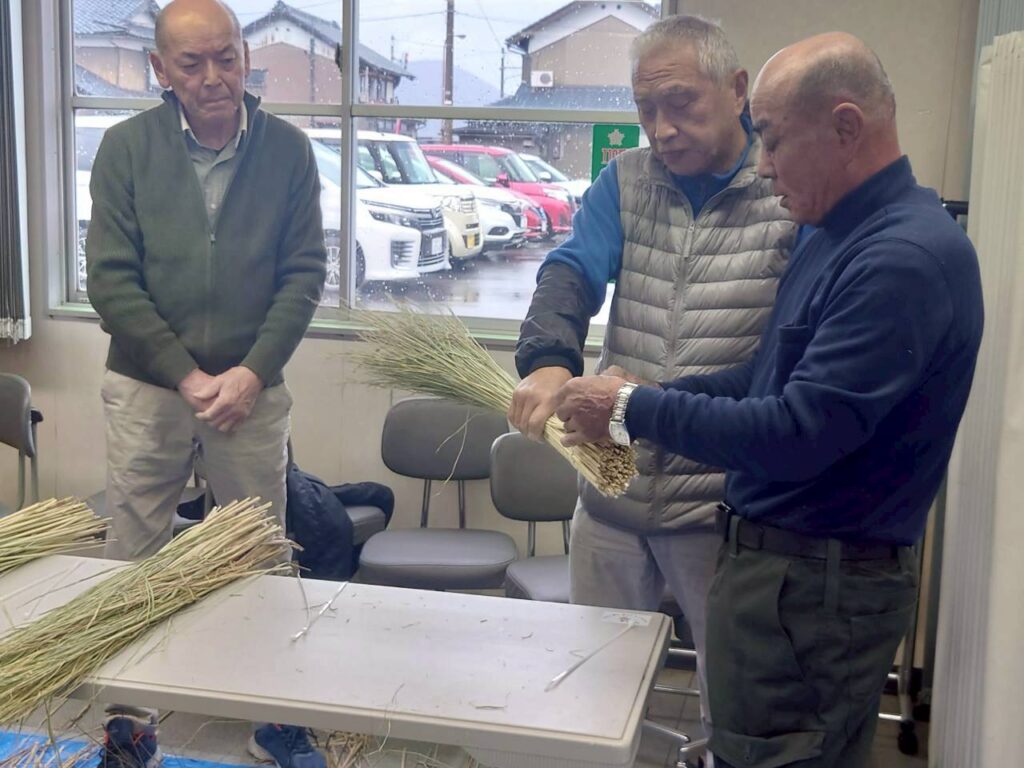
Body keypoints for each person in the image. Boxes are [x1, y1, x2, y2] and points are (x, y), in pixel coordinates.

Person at [552, 31, 984, 768]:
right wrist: (643, 393)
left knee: (773, 751)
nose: (765, 164)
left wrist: (632, 410)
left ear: (846, 127)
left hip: (818, 583)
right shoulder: (833, 231)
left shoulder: (900, 258)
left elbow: (797, 431)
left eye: (775, 141)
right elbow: (764, 378)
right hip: (779, 571)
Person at [508, 14, 796, 740]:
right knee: (596, 705)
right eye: (645, 110)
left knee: (732, 708)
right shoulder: (626, 180)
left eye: (681, 105)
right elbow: (570, 272)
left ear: (737, 91)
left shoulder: (784, 191)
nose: (661, 129)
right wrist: (549, 363)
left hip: (722, 512)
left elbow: (786, 363)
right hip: (614, 496)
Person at [86, 2, 326, 768]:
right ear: (161, 71)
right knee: (136, 549)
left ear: (245, 56)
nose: (214, 76)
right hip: (149, 389)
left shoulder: (288, 151)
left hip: (252, 393)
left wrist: (251, 373)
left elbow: (304, 276)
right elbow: (111, 283)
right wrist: (186, 376)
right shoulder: (125, 150)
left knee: (259, 554)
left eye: (226, 57)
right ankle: (131, 722)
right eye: (192, 64)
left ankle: (272, 717)